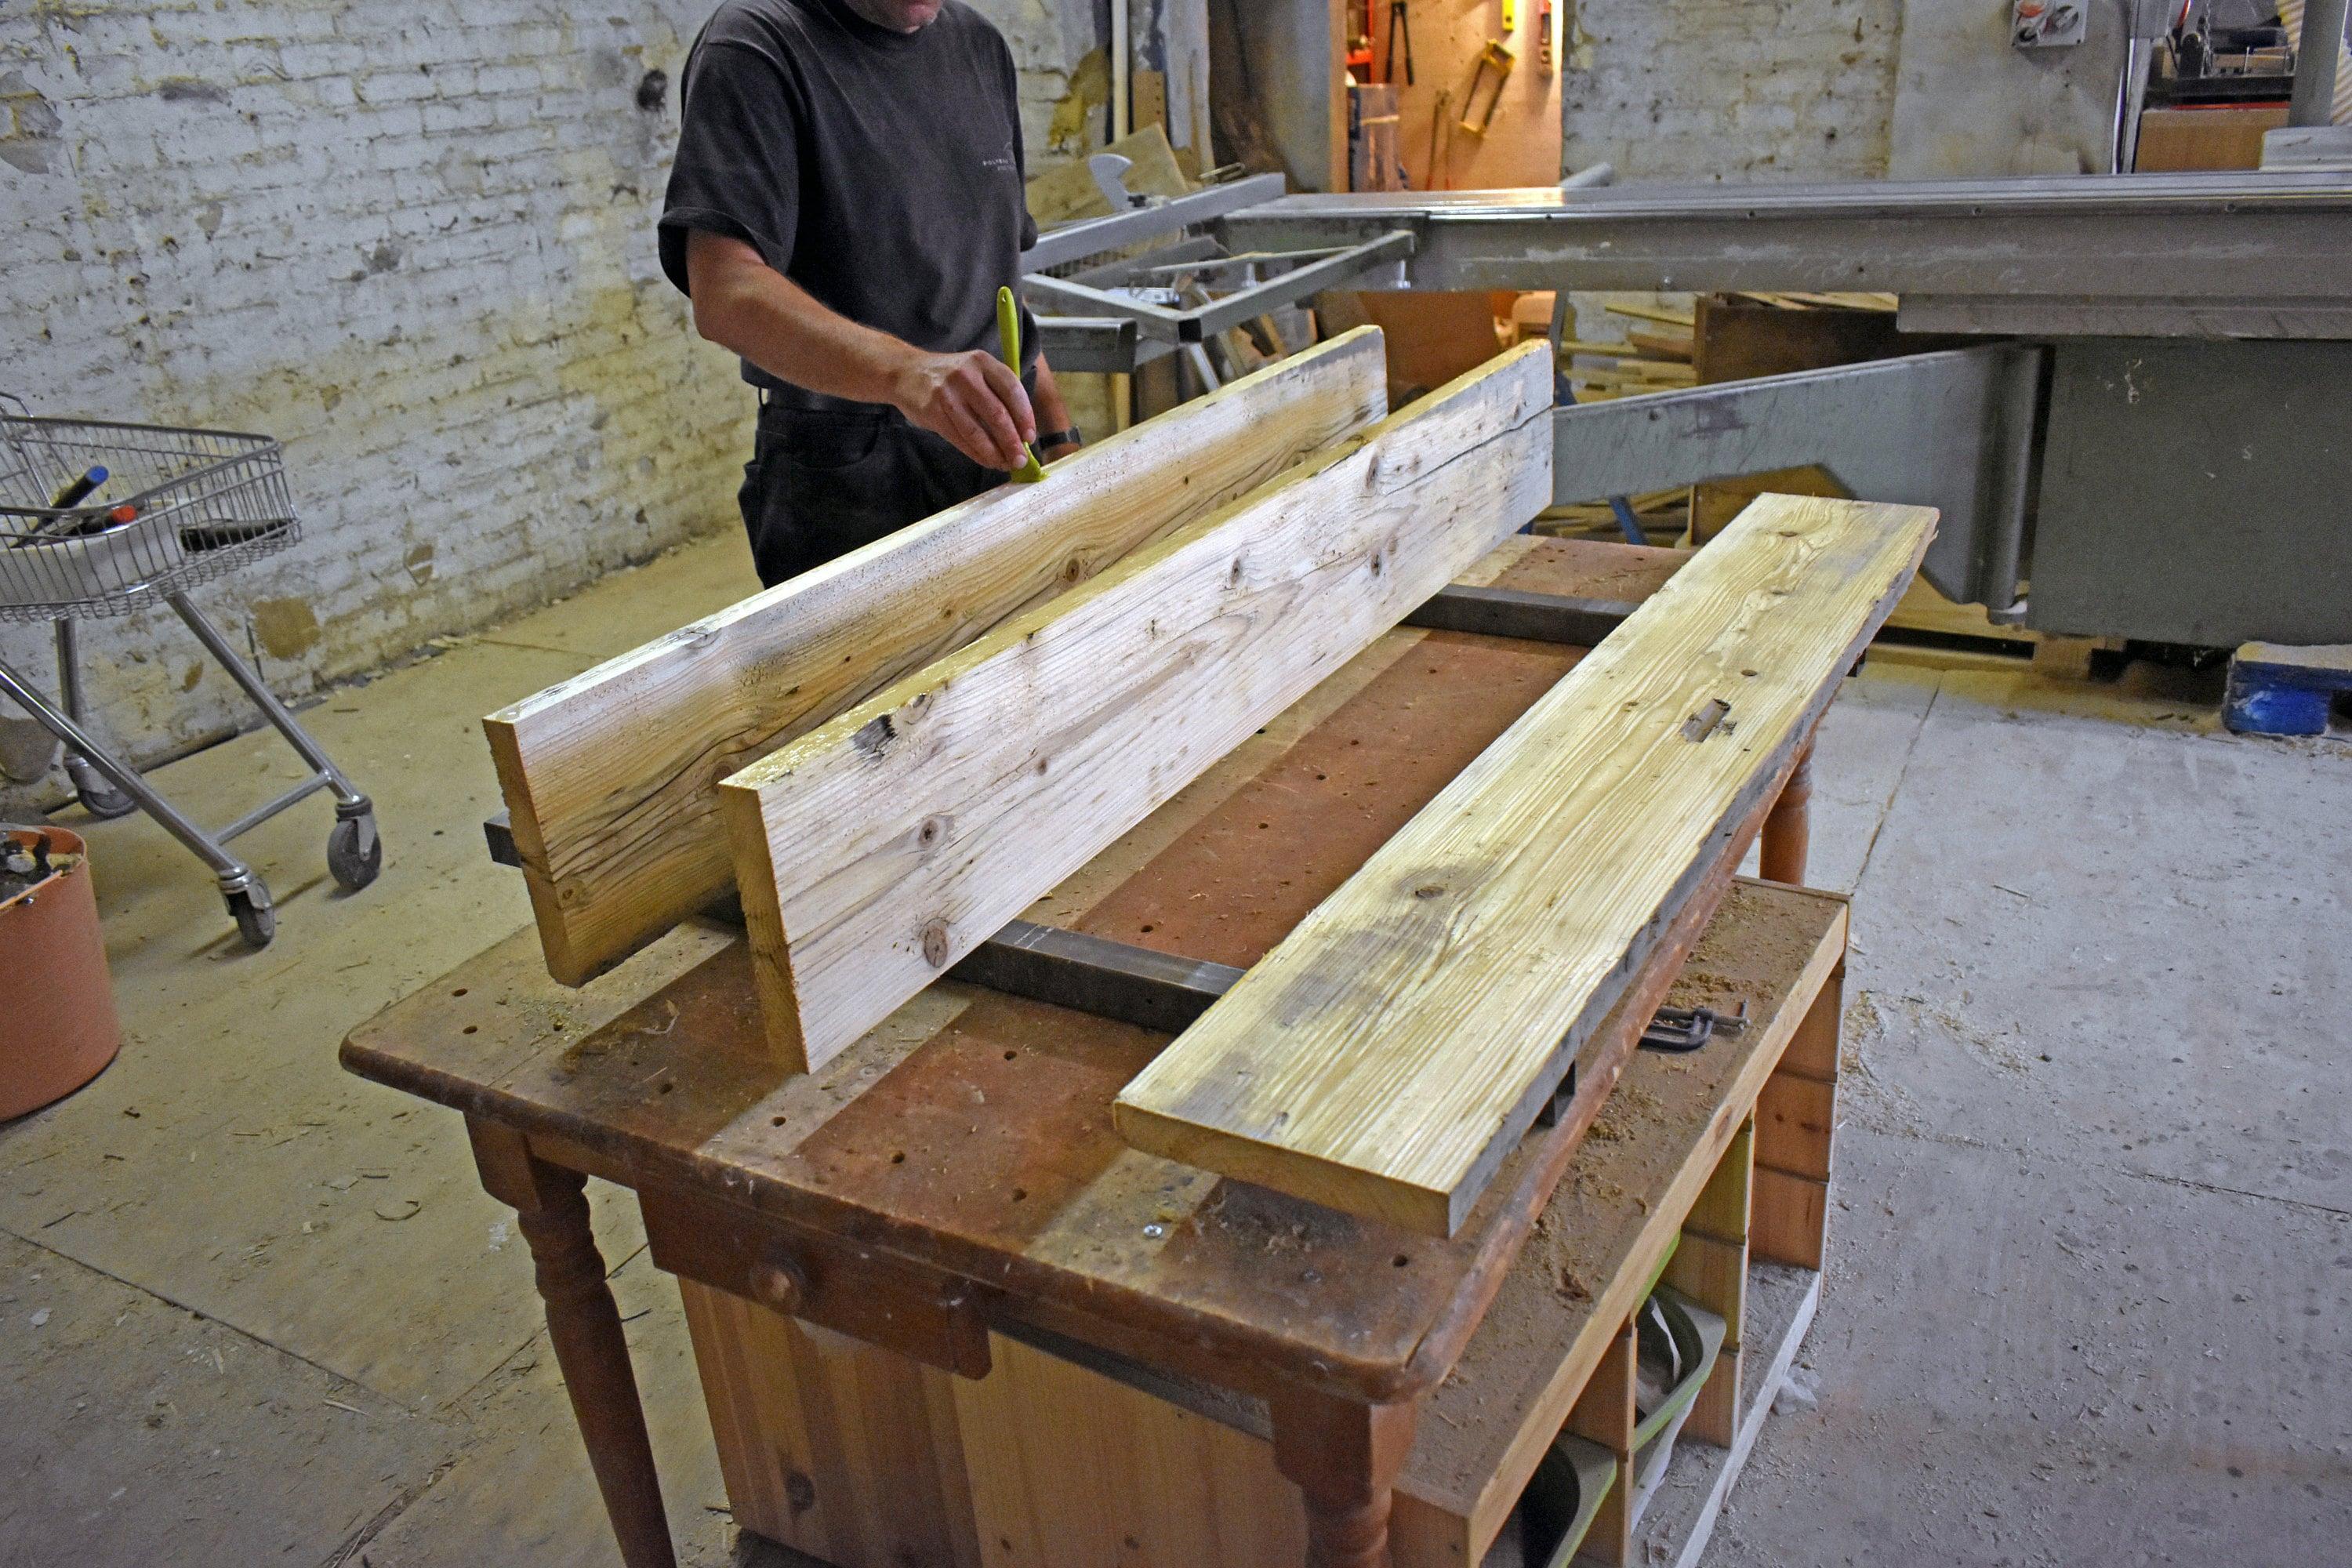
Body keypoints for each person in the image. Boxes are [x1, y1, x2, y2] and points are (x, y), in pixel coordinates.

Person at [658, 0, 1083, 586]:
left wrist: (1058, 434)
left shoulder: (980, 48)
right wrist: (908, 375)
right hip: (844, 474)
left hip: (999, 450)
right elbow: (726, 290)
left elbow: (1000, 283)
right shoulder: (757, 45)